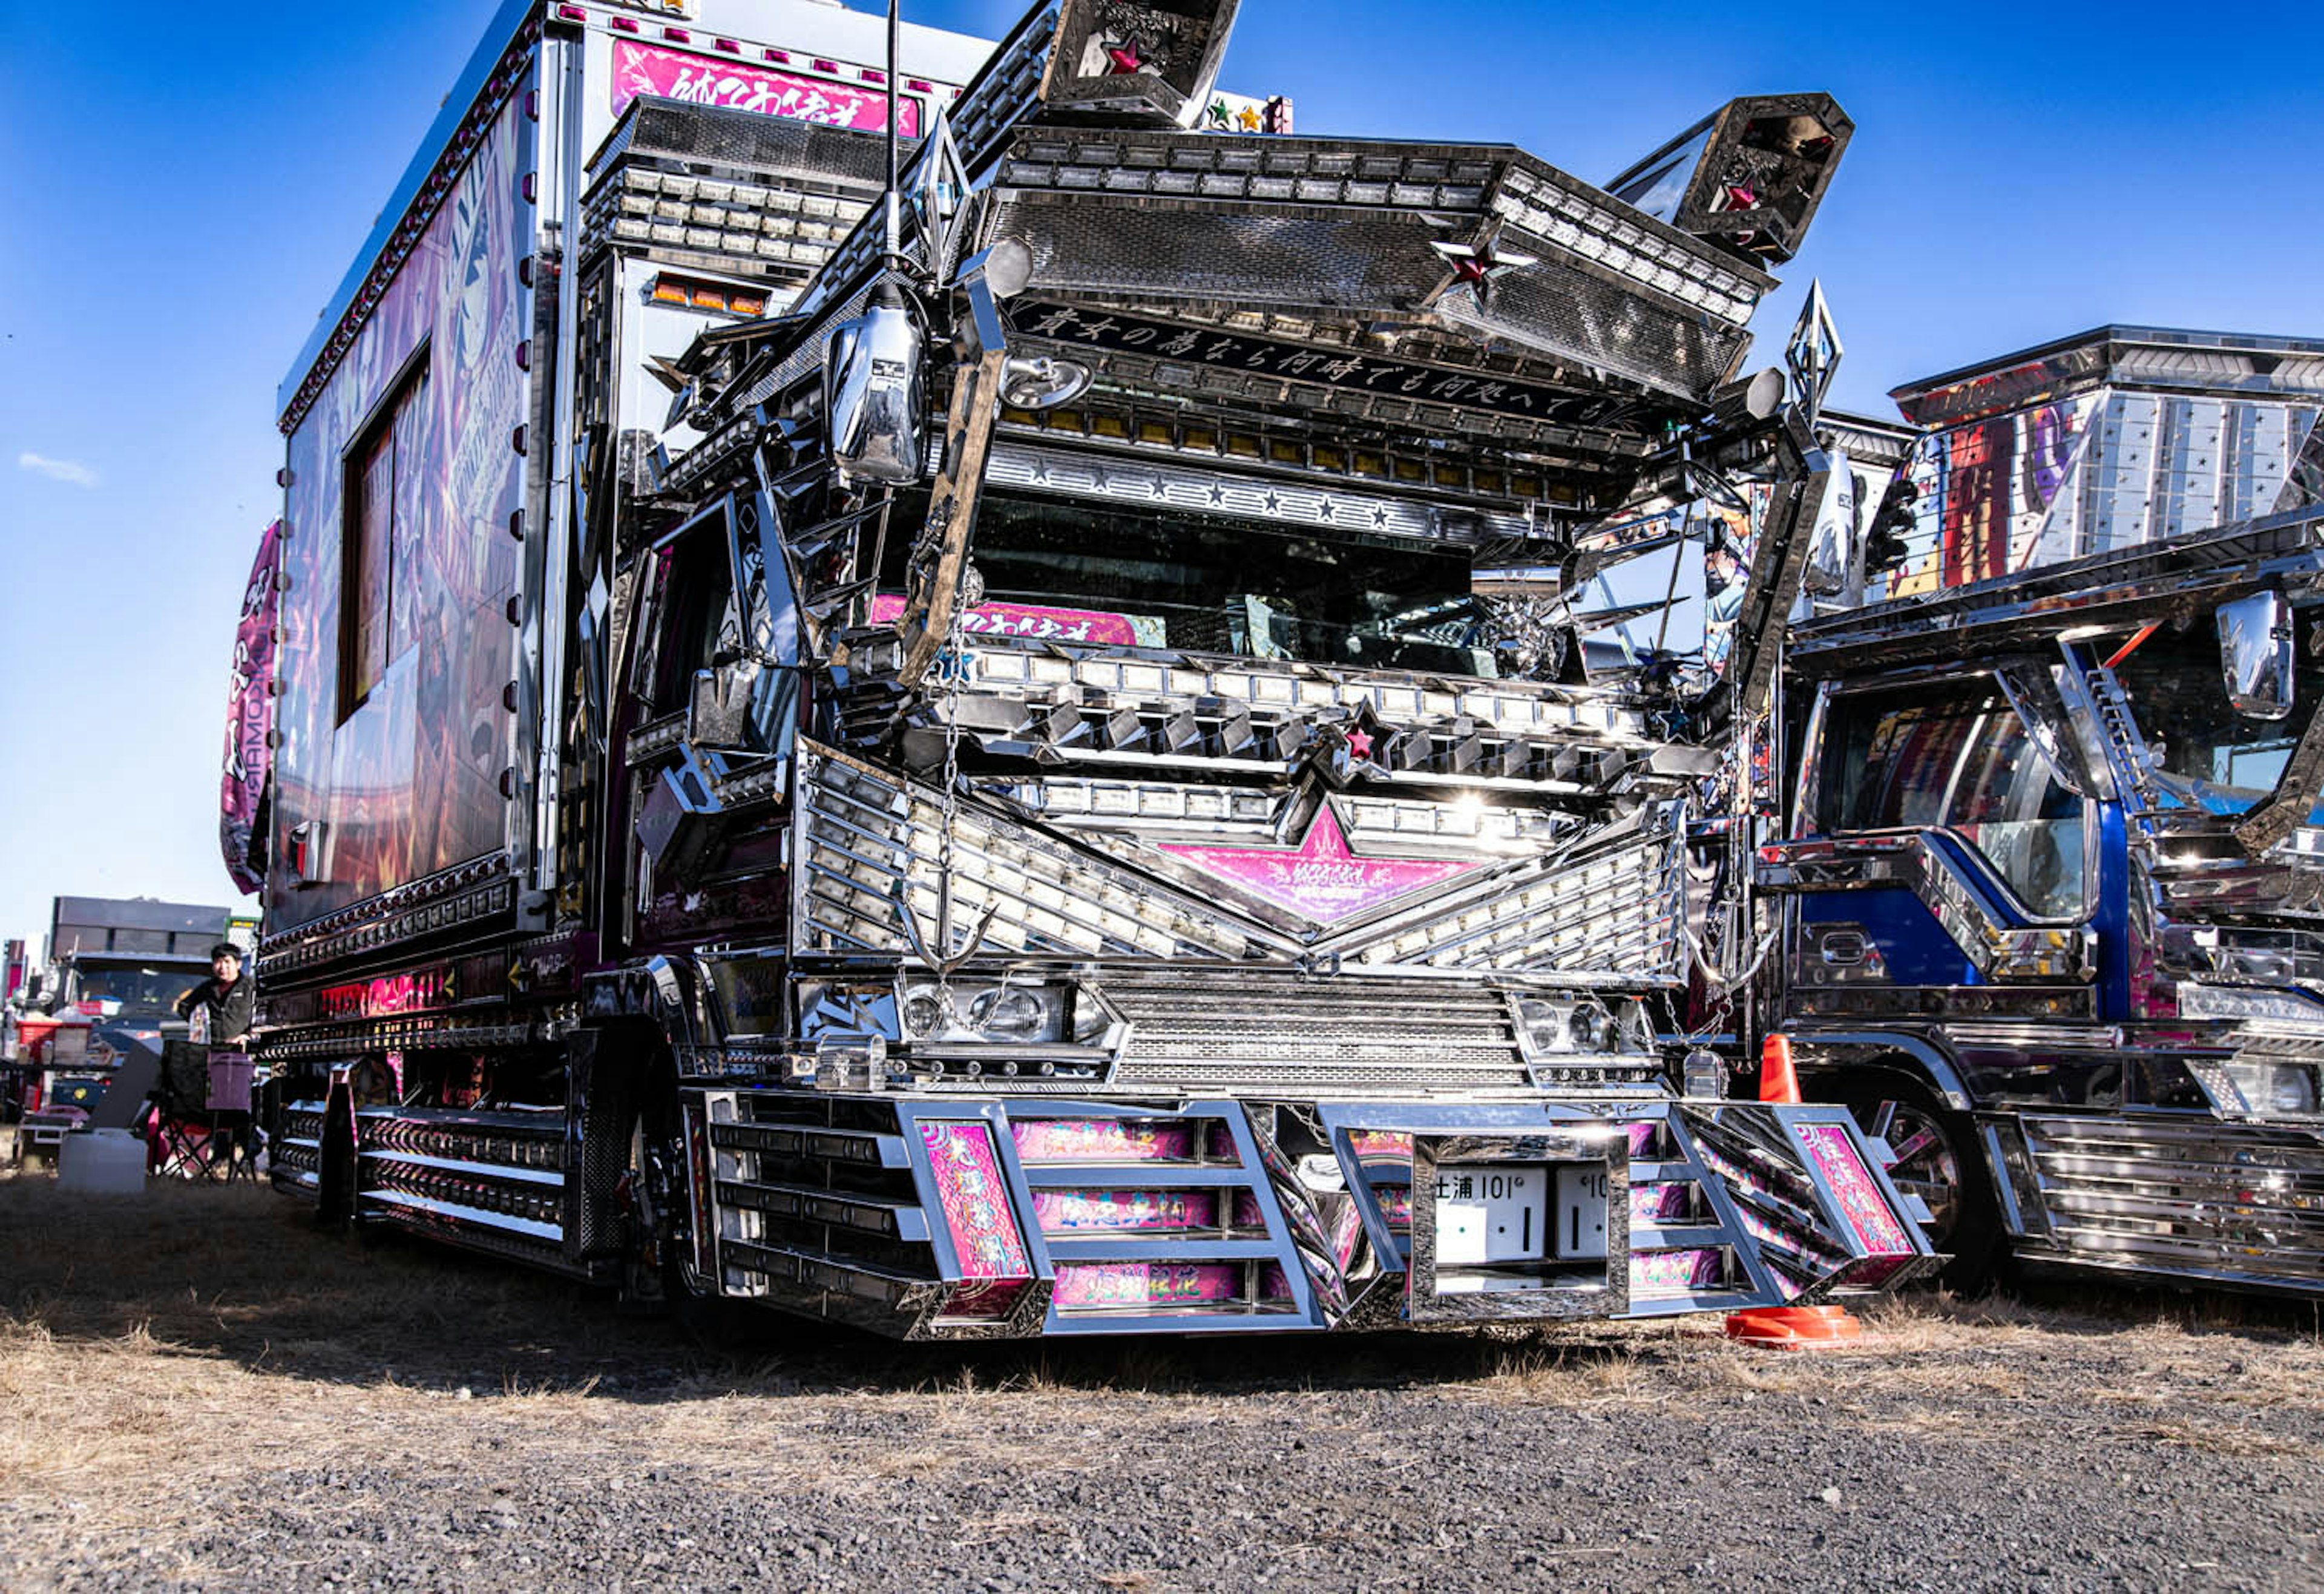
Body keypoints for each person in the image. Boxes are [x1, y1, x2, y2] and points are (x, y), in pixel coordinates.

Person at [174, 943, 254, 1043]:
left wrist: (248, 1035)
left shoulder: (250, 987)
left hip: (241, 1047)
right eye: (218, 962)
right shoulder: (208, 987)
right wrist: (198, 1025)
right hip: (212, 1045)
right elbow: (185, 1006)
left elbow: (263, 1015)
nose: (222, 967)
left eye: (227, 962)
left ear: (238, 964)